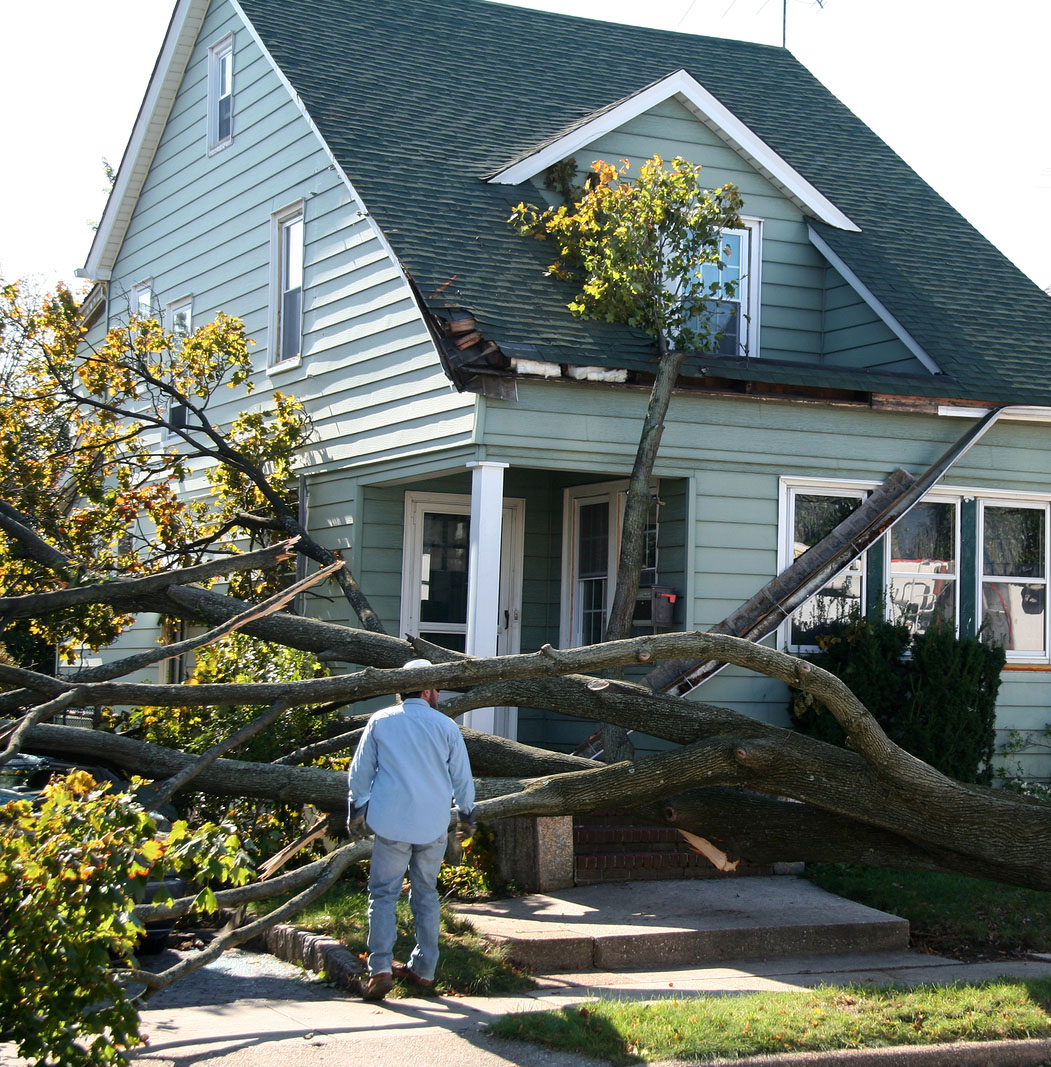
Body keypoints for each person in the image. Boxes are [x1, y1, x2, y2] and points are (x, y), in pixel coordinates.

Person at [346, 658, 475, 1001]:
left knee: (384, 894)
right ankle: (425, 969)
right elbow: (462, 776)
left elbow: (361, 771)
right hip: (432, 823)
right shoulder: (445, 726)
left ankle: (381, 967)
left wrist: (356, 809)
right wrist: (466, 814)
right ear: (429, 690)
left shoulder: (381, 721)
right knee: (426, 894)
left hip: (391, 821)